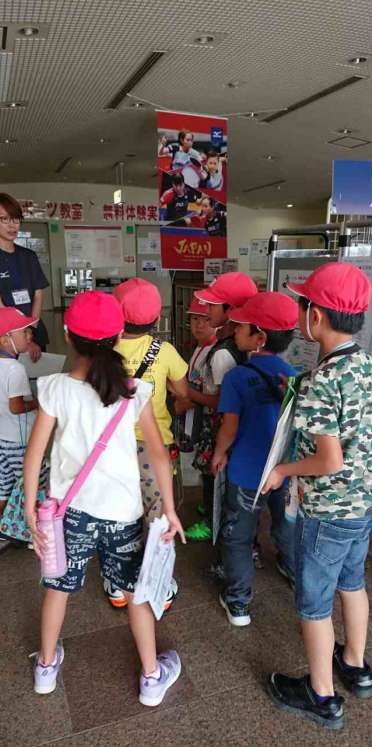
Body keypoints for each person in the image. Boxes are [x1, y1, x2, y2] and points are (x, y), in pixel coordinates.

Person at [24, 290, 185, 702]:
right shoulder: (132, 390)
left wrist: (28, 508)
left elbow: (35, 453)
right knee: (133, 592)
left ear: (67, 335)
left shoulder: (54, 388)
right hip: (122, 514)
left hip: (69, 513)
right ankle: (151, 677)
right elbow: (158, 454)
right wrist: (169, 508)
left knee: (58, 587)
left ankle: (45, 668)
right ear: (116, 337)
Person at [262, 263, 372, 730]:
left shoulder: (320, 380)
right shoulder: (364, 364)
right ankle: (356, 664)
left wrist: (282, 470)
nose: (301, 314)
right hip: (361, 505)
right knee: (353, 583)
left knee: (313, 604)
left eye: (304, 305)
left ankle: (321, 695)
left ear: (318, 316)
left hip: (326, 510)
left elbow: (328, 460)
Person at [212, 292, 298, 626]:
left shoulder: (236, 377)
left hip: (247, 471)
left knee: (238, 535)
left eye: (241, 326)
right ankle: (295, 575)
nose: (234, 330)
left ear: (259, 337)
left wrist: (219, 453)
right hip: (284, 470)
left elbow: (229, 427)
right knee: (286, 526)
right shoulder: (295, 375)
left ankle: (239, 604)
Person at [103, 278, 188, 609]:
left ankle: (115, 583)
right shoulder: (164, 351)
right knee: (159, 516)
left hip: (113, 447)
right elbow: (182, 392)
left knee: (116, 514)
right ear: (156, 318)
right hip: (155, 448)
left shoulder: (104, 350)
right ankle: (158, 584)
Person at [184, 272, 258, 541]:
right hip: (227, 425)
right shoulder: (235, 346)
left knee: (214, 472)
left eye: (213, 306)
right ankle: (212, 511)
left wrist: (189, 394)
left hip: (220, 425)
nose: (207, 311)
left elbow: (221, 401)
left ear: (231, 310)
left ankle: (211, 522)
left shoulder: (223, 353)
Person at [0, 308, 47, 516]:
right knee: (33, 483)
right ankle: (31, 527)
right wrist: (37, 403)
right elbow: (16, 407)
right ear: (5, 339)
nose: (30, 335)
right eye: (24, 331)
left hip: (1, 438)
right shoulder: (16, 369)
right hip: (21, 440)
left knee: (4, 484)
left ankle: (6, 525)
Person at [0, 192, 50, 361]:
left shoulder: (29, 256)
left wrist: (31, 331)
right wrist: (23, 339)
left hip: (34, 330)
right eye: (4, 219)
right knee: (10, 376)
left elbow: (38, 294)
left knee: (38, 375)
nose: (12, 225)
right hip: (6, 338)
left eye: (15, 219)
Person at [174, 297, 216, 513]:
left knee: (209, 468)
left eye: (206, 319)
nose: (199, 325)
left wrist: (185, 395)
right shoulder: (200, 348)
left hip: (210, 421)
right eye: (194, 319)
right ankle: (207, 506)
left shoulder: (215, 353)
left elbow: (214, 397)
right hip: (197, 416)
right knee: (203, 464)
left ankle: (210, 515)